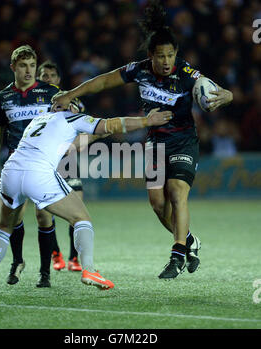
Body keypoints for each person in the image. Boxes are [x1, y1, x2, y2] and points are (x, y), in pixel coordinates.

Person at [51, 0, 233, 280]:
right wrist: (70, 94)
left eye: (170, 55)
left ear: (176, 54)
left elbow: (212, 89)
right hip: (155, 144)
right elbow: (102, 81)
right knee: (158, 205)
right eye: (160, 56)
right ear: (151, 55)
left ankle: (176, 256)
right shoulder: (140, 70)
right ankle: (189, 240)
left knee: (176, 191)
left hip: (183, 141)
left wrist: (228, 95)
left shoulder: (186, 74)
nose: (166, 61)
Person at [0, 106, 173, 294]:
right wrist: (147, 120)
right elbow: (112, 124)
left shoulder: (38, 120)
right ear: (67, 106)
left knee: (3, 227)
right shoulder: (71, 117)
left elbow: (74, 144)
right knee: (82, 218)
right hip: (38, 172)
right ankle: (88, 270)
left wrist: (98, 133)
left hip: (11, 170)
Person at [0, 45, 64, 288]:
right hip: (15, 164)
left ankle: (45, 273)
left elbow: (67, 120)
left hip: (44, 163)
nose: (29, 70)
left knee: (43, 215)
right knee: (13, 217)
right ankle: (18, 261)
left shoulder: (51, 92)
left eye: (32, 65)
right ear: (13, 68)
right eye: (23, 66)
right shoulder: (4, 98)